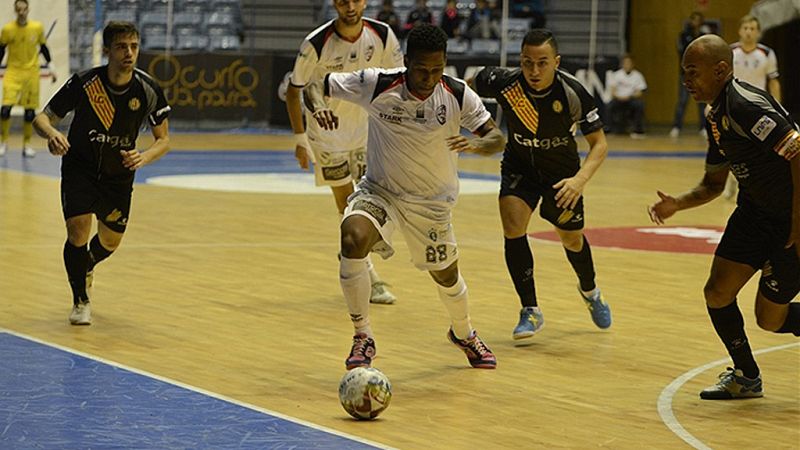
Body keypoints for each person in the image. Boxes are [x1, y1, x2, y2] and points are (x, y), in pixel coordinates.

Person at [303, 24, 506, 369]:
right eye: (421, 69)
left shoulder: (456, 94)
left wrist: (479, 144)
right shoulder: (379, 83)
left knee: (446, 276)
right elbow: (314, 85)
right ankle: (363, 336)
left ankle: (464, 332)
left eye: (437, 70)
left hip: (431, 206)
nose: (429, 78)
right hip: (380, 193)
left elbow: (496, 137)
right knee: (352, 237)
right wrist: (320, 106)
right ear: (407, 61)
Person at [648, 34, 800, 399]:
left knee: (770, 320)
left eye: (693, 73)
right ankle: (746, 376)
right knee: (717, 293)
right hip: (752, 214)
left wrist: (797, 223)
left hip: (788, 221)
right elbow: (714, 183)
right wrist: (676, 205)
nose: (687, 81)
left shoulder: (745, 106)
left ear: (720, 70)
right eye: (684, 73)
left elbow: (798, 154)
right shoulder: (715, 114)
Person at [470, 29, 611, 342]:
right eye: (527, 62)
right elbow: (461, 91)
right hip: (519, 167)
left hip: (562, 175)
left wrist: (579, 180)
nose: (534, 71)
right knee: (512, 225)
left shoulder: (572, 92)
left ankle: (590, 290)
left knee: (572, 240)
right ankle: (530, 309)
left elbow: (599, 144)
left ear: (556, 62)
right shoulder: (505, 83)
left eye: (542, 63)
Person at [32, 22, 171, 325]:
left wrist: (143, 156)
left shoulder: (147, 89)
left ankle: (88, 263)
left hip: (118, 176)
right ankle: (80, 300)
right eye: (122, 46)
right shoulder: (85, 83)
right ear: (107, 50)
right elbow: (41, 118)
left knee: (110, 242)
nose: (129, 53)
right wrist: (52, 134)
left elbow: (164, 140)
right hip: (80, 167)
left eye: (134, 46)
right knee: (78, 232)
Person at [286, 0, 404, 305]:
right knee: (348, 202)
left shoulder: (384, 35)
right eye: (342, 0)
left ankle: (353, 252)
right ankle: (369, 273)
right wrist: (300, 139)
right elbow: (294, 89)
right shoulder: (316, 43)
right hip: (328, 137)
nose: (349, 6)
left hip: (366, 132)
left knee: (375, 199)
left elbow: (397, 84)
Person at [723, 14, 782, 200]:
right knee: (730, 146)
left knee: (758, 148)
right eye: (745, 28)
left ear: (758, 32)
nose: (749, 32)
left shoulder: (766, 53)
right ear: (740, 30)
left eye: (752, 29)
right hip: (733, 106)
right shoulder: (730, 51)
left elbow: (773, 81)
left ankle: (752, 185)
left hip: (757, 107)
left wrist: (777, 107)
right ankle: (731, 180)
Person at [0, 0, 57, 158]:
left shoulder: (36, 28)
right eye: (19, 9)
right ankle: (3, 142)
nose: (22, 12)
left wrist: (51, 66)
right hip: (13, 72)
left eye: (24, 9)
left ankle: (27, 145)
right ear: (15, 10)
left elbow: (43, 48)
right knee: (5, 110)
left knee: (30, 112)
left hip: (31, 73)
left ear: (28, 9)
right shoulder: (7, 30)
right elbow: (1, 50)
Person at [670, 11, 708, 139]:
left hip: (701, 74)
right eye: (694, 19)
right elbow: (682, 52)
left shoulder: (704, 36)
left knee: (702, 101)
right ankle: (676, 126)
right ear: (690, 21)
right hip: (686, 74)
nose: (696, 22)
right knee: (682, 101)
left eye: (698, 20)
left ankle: (703, 127)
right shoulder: (683, 35)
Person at [607, 54, 647, 138]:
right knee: (609, 106)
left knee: (640, 105)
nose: (627, 65)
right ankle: (611, 129)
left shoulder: (638, 76)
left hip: (631, 99)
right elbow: (612, 91)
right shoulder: (616, 75)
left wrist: (630, 97)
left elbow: (640, 92)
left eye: (629, 63)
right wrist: (619, 97)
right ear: (622, 64)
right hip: (618, 98)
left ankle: (637, 130)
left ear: (632, 64)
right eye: (625, 63)